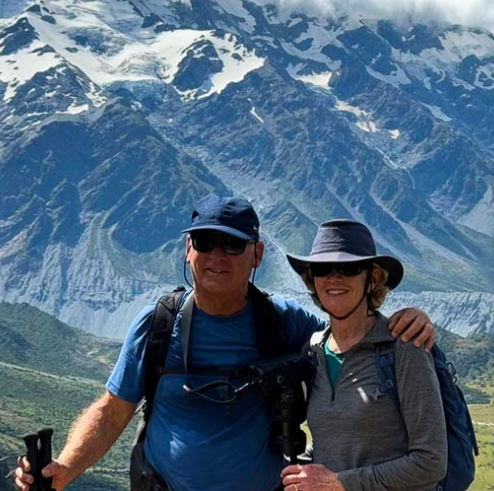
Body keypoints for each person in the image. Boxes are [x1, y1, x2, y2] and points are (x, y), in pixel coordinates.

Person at [15, 195, 436, 491]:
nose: (218, 255)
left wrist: (414, 321)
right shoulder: (157, 325)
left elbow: (353, 327)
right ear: (187, 250)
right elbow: (111, 412)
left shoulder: (284, 323)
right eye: (205, 241)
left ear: (256, 255)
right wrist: (65, 467)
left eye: (233, 244)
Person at [281, 219, 447, 491]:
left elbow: (430, 463)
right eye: (322, 269)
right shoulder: (314, 351)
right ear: (313, 280)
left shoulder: (403, 346)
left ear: (373, 279)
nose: (334, 277)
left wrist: (339, 483)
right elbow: (335, 441)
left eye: (348, 267)